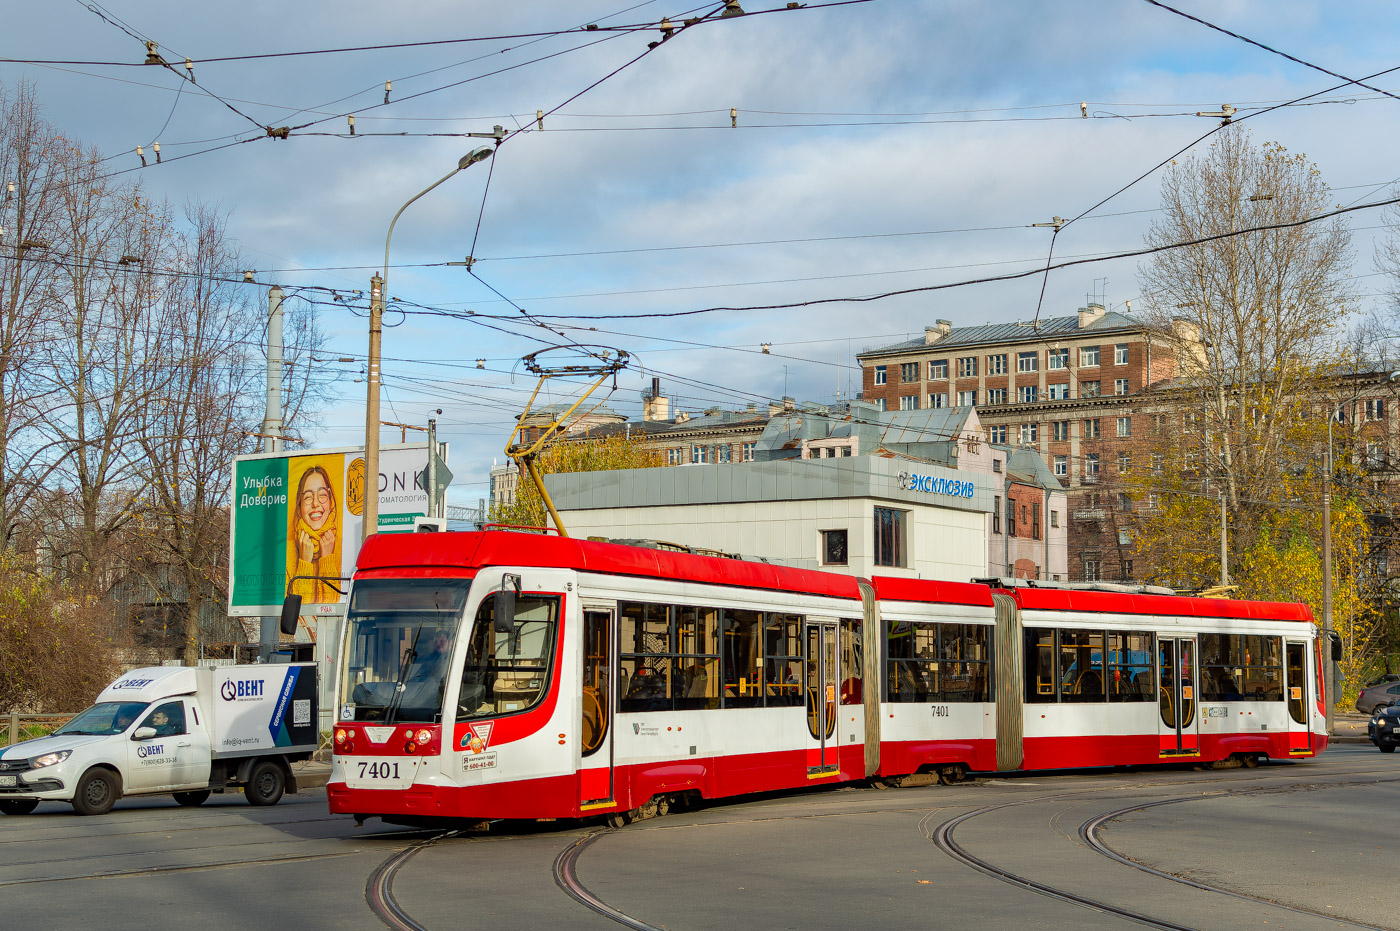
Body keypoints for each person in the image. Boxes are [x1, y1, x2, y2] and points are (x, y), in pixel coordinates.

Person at [287, 464, 339, 605]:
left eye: (322, 495)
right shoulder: (286, 554)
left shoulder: (343, 547)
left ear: (331, 502)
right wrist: (304, 563)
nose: (316, 503)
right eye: (308, 497)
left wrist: (327, 559)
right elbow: (296, 613)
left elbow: (334, 609)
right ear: (299, 508)